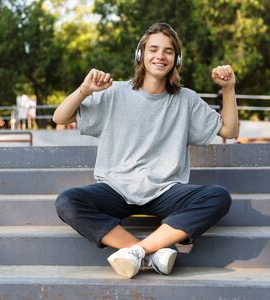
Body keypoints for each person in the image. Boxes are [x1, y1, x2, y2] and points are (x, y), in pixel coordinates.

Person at [53, 23, 238, 279]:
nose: (160, 56)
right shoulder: (114, 92)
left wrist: (228, 88)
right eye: (153, 49)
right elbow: (60, 117)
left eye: (168, 51)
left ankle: (138, 251)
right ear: (140, 55)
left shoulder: (186, 100)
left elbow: (229, 130)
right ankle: (151, 253)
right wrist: (85, 90)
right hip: (116, 188)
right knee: (68, 201)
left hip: (166, 191)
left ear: (177, 59)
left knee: (218, 197)